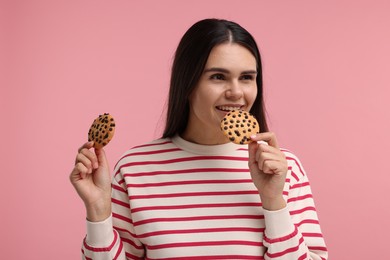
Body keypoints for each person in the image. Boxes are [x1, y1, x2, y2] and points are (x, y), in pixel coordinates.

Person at [70, 18, 328, 259]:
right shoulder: (135, 169)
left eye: (247, 78)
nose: (236, 92)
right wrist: (98, 211)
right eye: (218, 77)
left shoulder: (284, 169)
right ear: (188, 83)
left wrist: (274, 203)